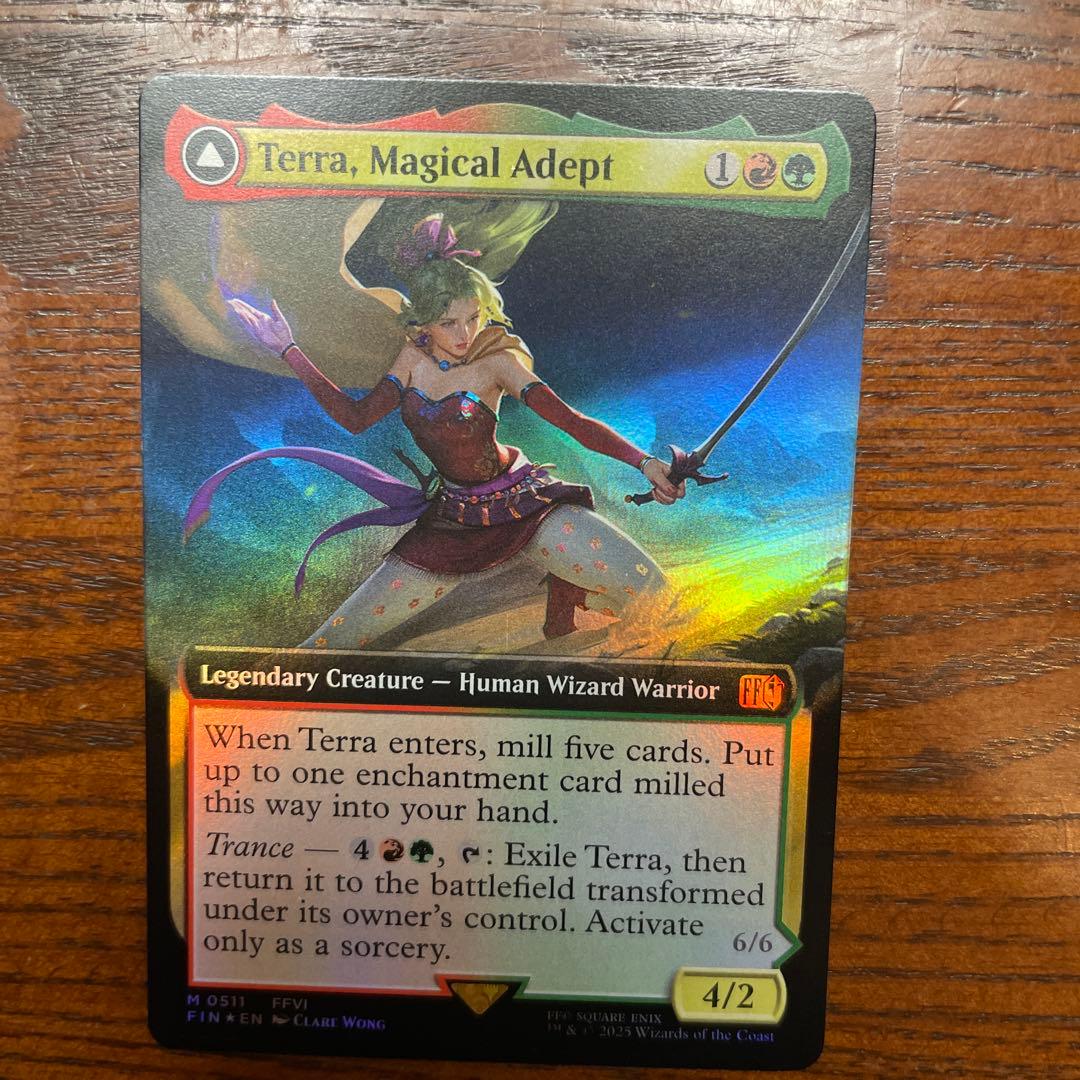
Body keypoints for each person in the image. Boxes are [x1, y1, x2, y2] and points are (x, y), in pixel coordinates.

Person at [185, 214, 684, 648]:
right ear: (422, 324)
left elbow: (572, 422)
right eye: (449, 323)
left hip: (528, 508)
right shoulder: (410, 362)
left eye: (473, 318)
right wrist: (288, 349)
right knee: (327, 643)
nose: (465, 335)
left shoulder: (498, 363)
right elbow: (355, 419)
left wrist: (646, 464)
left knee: (657, 597)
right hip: (453, 523)